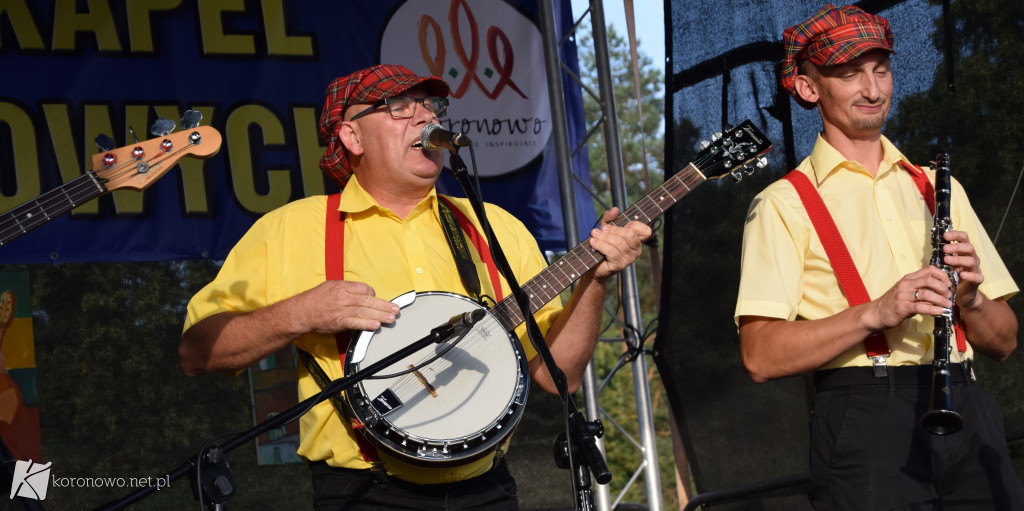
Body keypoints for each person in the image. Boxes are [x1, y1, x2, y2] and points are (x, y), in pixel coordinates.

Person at [178, 63, 650, 510]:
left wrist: (595, 279)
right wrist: (299, 315)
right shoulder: (290, 230)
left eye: (429, 106)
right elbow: (198, 353)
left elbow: (556, 375)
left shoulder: (495, 228)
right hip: (362, 494)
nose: (424, 116)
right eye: (399, 107)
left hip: (487, 490)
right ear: (351, 135)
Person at [735, 5, 1023, 510]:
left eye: (881, 70)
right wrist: (876, 312)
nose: (873, 89)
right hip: (865, 417)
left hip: (967, 404)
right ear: (808, 88)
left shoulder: (938, 186)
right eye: (850, 74)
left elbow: (1005, 342)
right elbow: (759, 355)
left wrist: (972, 300)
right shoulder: (783, 203)